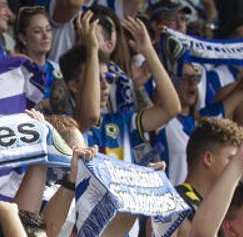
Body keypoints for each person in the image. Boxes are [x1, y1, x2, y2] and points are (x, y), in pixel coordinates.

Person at [64, 11, 181, 164]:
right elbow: (91, 115)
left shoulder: (122, 122)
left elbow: (171, 109)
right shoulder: (67, 124)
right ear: (74, 85)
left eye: (109, 78)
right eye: (96, 78)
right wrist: (92, 50)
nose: (105, 85)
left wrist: (148, 51)